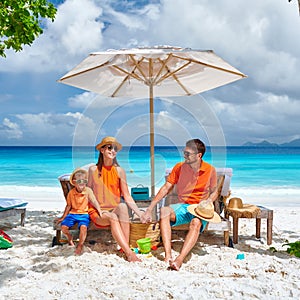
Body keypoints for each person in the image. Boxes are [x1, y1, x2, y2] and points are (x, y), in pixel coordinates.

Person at [141, 138, 219, 270]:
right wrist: (150, 208)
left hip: (200, 209)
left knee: (195, 223)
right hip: (182, 206)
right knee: (165, 212)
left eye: (188, 153)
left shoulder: (210, 170)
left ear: (199, 156)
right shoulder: (179, 167)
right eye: (185, 152)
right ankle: (168, 255)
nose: (185, 155)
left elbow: (215, 192)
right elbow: (166, 187)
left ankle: (180, 259)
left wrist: (209, 201)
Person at [87, 136, 144, 262]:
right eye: (109, 147)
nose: (113, 150)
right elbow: (88, 192)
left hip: (113, 209)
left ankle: (124, 248)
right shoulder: (93, 170)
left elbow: (127, 195)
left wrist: (139, 213)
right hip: (98, 211)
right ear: (102, 150)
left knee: (123, 206)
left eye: (115, 148)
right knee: (112, 217)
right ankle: (129, 253)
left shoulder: (119, 171)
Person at [56, 168, 102, 255]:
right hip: (72, 214)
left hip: (84, 214)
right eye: (79, 181)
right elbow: (68, 205)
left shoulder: (88, 191)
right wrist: (63, 217)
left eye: (84, 181)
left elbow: (94, 201)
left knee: (83, 228)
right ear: (74, 182)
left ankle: (80, 245)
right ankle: (70, 238)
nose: (82, 183)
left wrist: (100, 211)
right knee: (63, 228)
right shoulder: (71, 193)